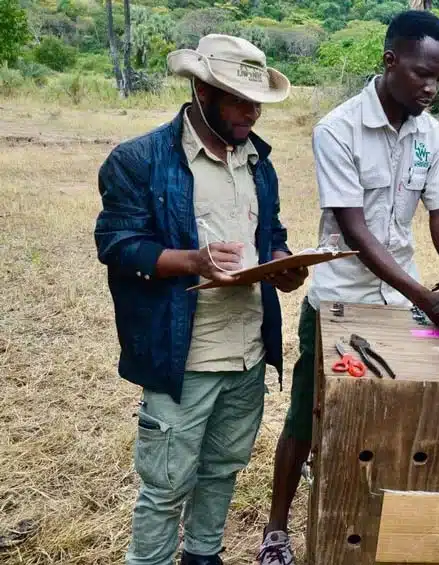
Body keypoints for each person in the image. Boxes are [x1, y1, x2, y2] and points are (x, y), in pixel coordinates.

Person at [257, 11, 439, 565]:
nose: (431, 87)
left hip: (397, 305)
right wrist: (426, 296)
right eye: (422, 73)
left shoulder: (430, 133)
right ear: (390, 61)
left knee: (387, 413)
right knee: (307, 415)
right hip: (338, 302)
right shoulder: (338, 129)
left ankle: (368, 521)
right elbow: (355, 230)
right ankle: (276, 532)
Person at [94, 35, 307, 565]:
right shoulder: (139, 160)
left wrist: (282, 265)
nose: (250, 113)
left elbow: (270, 234)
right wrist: (194, 261)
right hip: (183, 358)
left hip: (246, 353)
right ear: (201, 90)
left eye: (256, 102)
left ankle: (204, 554)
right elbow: (118, 245)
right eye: (237, 99)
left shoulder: (258, 161)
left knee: (222, 469)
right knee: (166, 487)